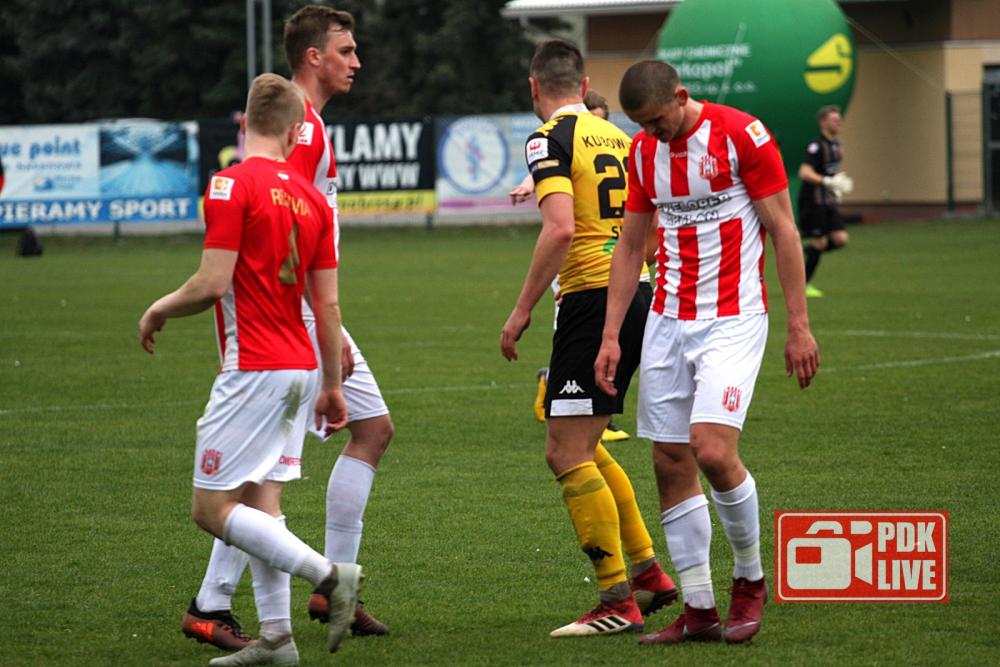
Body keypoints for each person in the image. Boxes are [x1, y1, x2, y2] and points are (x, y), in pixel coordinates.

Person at [182, 5, 394, 649]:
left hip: (302, 321)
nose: (356, 62)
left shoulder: (311, 125)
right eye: (346, 51)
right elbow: (285, 236)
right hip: (290, 325)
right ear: (313, 57)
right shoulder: (303, 131)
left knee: (365, 433)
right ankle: (227, 601)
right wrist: (328, 340)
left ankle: (319, 593)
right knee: (257, 480)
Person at [138, 73, 362, 666]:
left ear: (244, 124)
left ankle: (330, 576)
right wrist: (332, 386)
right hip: (301, 368)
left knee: (211, 509)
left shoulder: (229, 185)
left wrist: (159, 308)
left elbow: (211, 283)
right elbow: (328, 307)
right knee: (262, 504)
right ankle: (277, 641)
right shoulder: (313, 199)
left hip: (254, 367)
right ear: (295, 131)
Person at [595, 60, 819, 646]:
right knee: (670, 460)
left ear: (681, 95)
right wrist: (612, 335)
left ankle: (750, 580)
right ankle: (698, 610)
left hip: (733, 317)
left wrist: (799, 326)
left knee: (713, 451)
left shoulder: (742, 134)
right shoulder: (643, 153)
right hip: (667, 319)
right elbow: (630, 247)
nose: (651, 133)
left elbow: (784, 230)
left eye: (657, 121)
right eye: (641, 125)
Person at [500, 39, 677, 638]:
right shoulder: (622, 138)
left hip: (592, 299)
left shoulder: (547, 139)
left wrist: (521, 309)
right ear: (584, 84)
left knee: (566, 452)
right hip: (637, 294)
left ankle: (615, 599)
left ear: (534, 87)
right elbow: (650, 230)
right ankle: (648, 573)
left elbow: (559, 230)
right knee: (588, 443)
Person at [512, 89, 630, 444]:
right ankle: (569, 396)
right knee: (576, 335)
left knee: (569, 450)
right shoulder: (615, 142)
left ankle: (569, 394)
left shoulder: (581, 140)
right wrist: (527, 183)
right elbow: (558, 214)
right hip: (583, 266)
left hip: (611, 268)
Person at [797, 104, 853, 298]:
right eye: (834, 119)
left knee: (840, 239)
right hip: (812, 201)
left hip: (827, 201)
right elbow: (804, 172)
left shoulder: (837, 145)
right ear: (823, 122)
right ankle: (803, 286)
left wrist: (835, 186)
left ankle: (808, 251)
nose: (838, 122)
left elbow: (831, 171)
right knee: (820, 241)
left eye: (839, 119)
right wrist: (827, 181)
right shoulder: (817, 146)